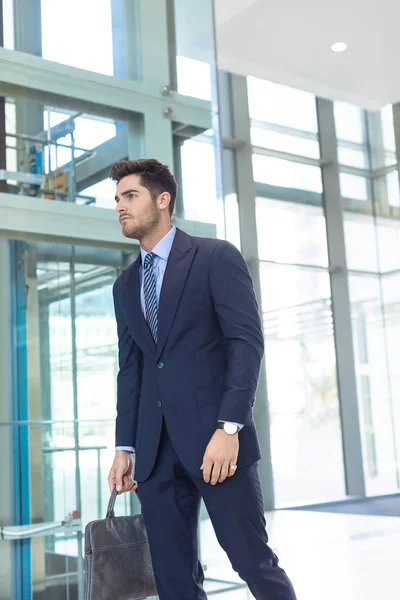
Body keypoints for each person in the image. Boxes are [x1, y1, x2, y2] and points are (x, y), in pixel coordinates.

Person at [107, 158, 297, 600]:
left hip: (217, 445)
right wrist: (125, 446)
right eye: (116, 200)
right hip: (154, 453)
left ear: (163, 199)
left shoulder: (215, 257)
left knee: (253, 561)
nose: (120, 206)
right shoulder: (125, 285)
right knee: (174, 581)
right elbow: (131, 370)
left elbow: (245, 344)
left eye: (130, 196)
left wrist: (229, 426)